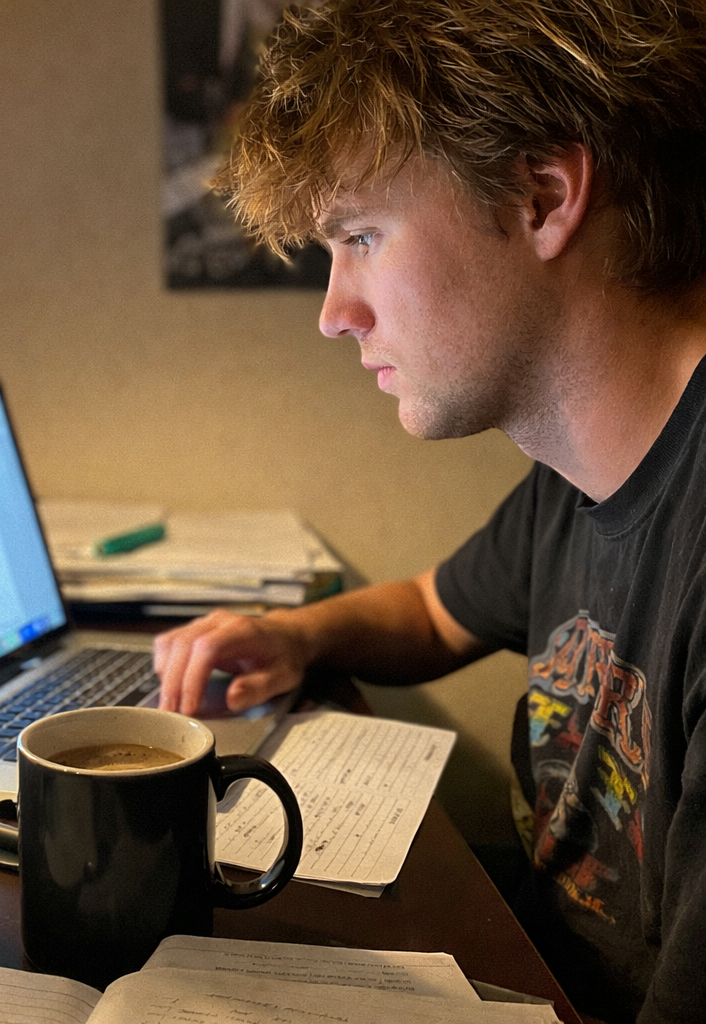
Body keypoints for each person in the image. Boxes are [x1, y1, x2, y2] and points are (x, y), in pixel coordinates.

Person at [152, 2, 706, 1022]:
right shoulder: (578, 474)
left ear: (543, 195)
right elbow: (431, 609)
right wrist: (292, 635)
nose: (333, 311)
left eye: (361, 235)